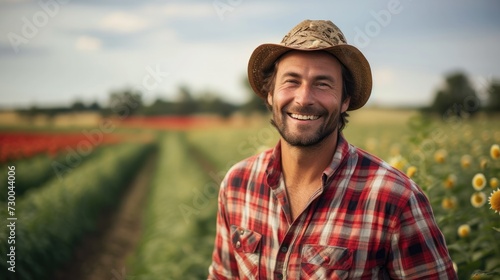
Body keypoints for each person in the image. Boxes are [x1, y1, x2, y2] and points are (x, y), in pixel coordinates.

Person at [208, 19, 457, 279]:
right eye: (291, 81)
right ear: (270, 95)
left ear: (344, 101)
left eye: (322, 84)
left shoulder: (396, 199)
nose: (303, 99)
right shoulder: (237, 185)